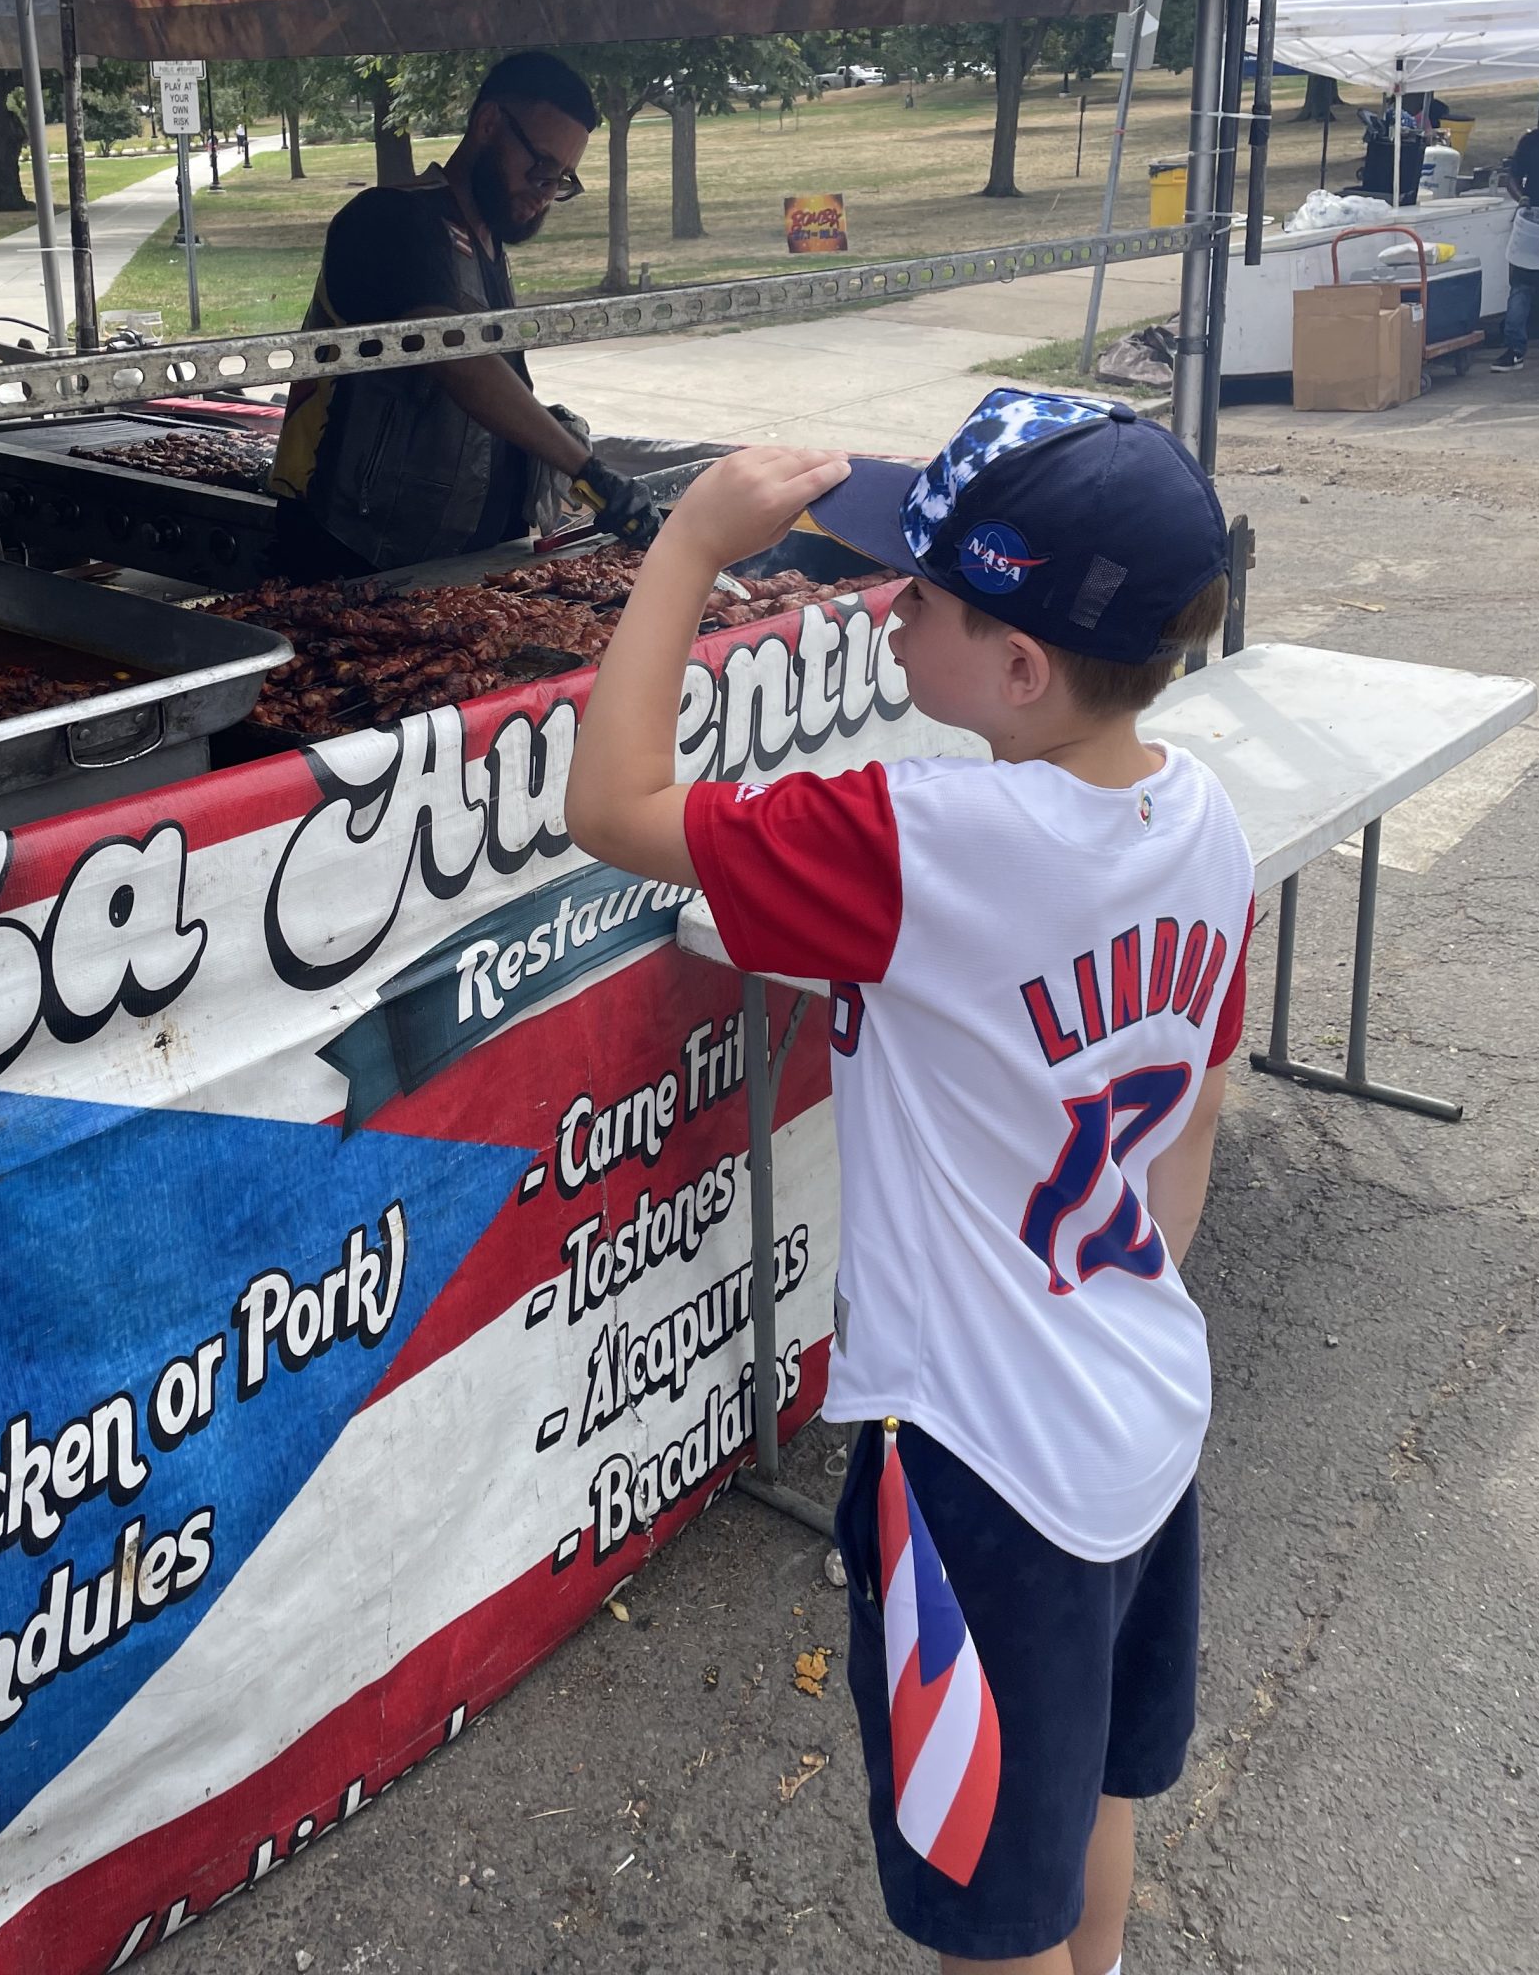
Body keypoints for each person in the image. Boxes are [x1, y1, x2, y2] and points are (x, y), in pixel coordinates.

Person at [566, 395, 1254, 1975]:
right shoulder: (1198, 812)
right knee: (1088, 1791)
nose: (886, 610)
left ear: (1018, 667)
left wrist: (684, 544)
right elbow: (1198, 1119)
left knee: (984, 1913)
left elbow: (609, 805)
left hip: (982, 1467)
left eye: (923, 599)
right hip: (1140, 1400)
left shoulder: (918, 841)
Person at [268, 52, 658, 578]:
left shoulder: (488, 244)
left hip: (448, 560)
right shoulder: (391, 219)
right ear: (489, 123)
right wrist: (586, 470)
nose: (545, 195)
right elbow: (458, 358)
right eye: (541, 169)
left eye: (562, 180)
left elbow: (498, 390)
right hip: (351, 553)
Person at [1492, 89, 1539, 369]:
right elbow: (1512, 175)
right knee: (1522, 286)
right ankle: (1514, 348)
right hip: (1536, 223)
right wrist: (1522, 198)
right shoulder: (1532, 142)